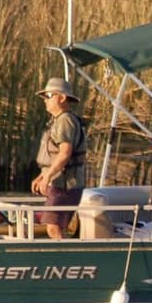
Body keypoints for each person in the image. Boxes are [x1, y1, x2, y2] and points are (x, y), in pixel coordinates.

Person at [31, 77, 87, 239]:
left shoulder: (65, 121)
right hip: (59, 183)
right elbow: (54, 156)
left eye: (49, 96)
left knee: (53, 228)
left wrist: (47, 176)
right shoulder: (58, 120)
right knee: (54, 227)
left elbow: (64, 153)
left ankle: (64, 255)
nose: (45, 100)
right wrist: (42, 176)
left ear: (62, 98)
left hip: (65, 185)